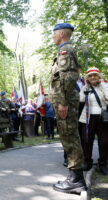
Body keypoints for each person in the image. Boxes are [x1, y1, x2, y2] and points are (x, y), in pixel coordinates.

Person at [50, 23, 87, 194]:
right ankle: (74, 177)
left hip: (65, 101)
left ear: (62, 33)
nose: (53, 36)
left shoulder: (65, 50)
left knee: (70, 137)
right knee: (69, 136)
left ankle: (76, 180)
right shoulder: (66, 49)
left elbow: (68, 77)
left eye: (54, 33)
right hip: (65, 100)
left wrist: (63, 102)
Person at [79, 67, 108, 175]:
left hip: (102, 118)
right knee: (87, 141)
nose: (93, 77)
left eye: (95, 75)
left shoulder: (104, 86)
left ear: (99, 77)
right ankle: (87, 162)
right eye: (90, 76)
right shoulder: (85, 88)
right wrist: (86, 87)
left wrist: (103, 87)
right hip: (87, 117)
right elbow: (81, 99)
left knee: (104, 142)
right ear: (87, 78)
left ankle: (103, 164)